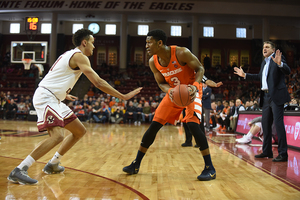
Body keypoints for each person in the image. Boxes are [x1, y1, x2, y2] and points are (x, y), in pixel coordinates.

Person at [7, 29, 142, 185]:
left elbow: (58, 76)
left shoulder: (70, 54)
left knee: (79, 131)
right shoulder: (79, 56)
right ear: (84, 42)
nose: (93, 46)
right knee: (57, 136)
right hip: (47, 97)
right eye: (92, 43)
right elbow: (97, 82)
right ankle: (19, 170)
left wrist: (63, 94)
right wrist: (123, 96)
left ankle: (53, 164)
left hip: (55, 97)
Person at [122, 29, 216, 181]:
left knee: (193, 125)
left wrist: (195, 85)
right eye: (145, 42)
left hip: (191, 90)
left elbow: (200, 68)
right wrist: (170, 91)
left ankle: (209, 167)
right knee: (154, 126)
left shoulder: (181, 53)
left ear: (160, 43)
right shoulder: (153, 61)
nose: (146, 45)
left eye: (149, 42)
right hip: (174, 93)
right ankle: (136, 164)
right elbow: (160, 83)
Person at [234, 41, 290, 162]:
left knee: (279, 125)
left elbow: (287, 70)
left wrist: (280, 64)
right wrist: (245, 75)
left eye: (267, 47)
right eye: (263, 47)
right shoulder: (264, 62)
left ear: (273, 49)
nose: (264, 49)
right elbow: (259, 77)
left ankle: (283, 153)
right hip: (265, 97)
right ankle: (267, 151)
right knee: (265, 124)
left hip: (276, 96)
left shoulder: (278, 58)